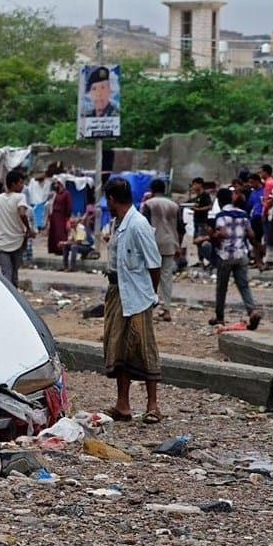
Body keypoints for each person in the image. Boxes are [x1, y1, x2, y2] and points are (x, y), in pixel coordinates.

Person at [99, 177, 163, 424]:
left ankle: (153, 406)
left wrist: (151, 294)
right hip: (117, 293)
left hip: (138, 295)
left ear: (111, 200)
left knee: (144, 348)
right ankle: (122, 405)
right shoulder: (118, 223)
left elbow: (154, 263)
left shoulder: (138, 225)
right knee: (118, 349)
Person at [210, 188, 262, 330]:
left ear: (220, 201)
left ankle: (220, 317)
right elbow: (251, 233)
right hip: (241, 254)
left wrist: (214, 235)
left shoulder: (221, 215)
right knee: (243, 285)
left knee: (222, 287)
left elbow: (223, 233)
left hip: (225, 255)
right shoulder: (243, 214)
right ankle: (252, 311)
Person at [140, 179, 185, 321]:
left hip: (152, 243)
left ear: (152, 190)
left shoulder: (148, 204)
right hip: (170, 244)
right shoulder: (174, 205)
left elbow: (143, 226)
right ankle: (166, 310)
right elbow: (181, 229)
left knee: (148, 276)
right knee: (166, 277)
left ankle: (148, 307)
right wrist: (178, 245)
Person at [0, 170, 35, 288]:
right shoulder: (21, 197)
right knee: (14, 272)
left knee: (6, 272)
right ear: (13, 184)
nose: (22, 186)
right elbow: (22, 213)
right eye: (20, 183)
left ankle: (9, 295)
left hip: (2, 240)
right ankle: (14, 295)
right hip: (17, 240)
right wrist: (28, 229)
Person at [189, 177, 213, 268]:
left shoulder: (205, 195)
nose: (194, 187)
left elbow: (209, 206)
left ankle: (208, 260)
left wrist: (198, 209)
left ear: (200, 184)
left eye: (195, 184)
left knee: (201, 241)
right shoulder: (197, 196)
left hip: (202, 221)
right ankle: (200, 260)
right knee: (197, 241)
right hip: (196, 220)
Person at [46, 178, 71, 255]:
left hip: (61, 215)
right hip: (53, 215)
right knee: (53, 232)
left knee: (60, 233)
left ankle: (61, 249)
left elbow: (68, 206)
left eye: (58, 183)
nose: (57, 185)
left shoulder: (66, 194)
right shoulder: (55, 194)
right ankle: (54, 249)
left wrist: (67, 217)